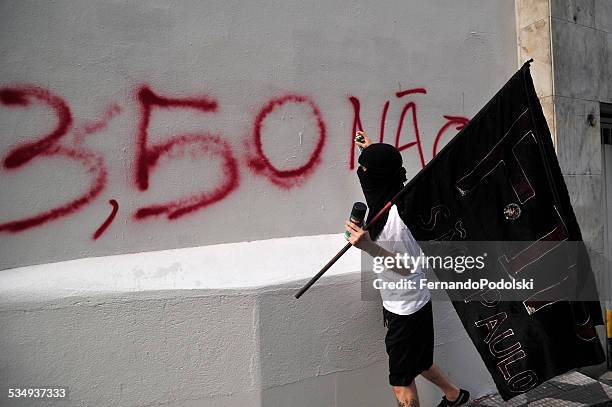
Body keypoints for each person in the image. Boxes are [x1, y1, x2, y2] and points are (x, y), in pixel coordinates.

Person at [344, 131, 470, 407]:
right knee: (421, 362)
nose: (361, 172)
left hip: (405, 309)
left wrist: (368, 247)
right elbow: (373, 176)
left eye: (365, 168)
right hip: (414, 302)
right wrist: (368, 149)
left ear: (378, 175)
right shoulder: (387, 194)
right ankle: (456, 396)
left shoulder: (395, 223)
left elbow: (405, 268)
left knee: (401, 382)